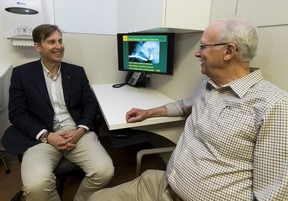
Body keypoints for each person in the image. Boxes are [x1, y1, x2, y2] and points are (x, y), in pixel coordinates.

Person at [87, 15, 288, 201]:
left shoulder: (273, 105)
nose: (197, 53)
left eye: (203, 47)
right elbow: (184, 106)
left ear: (228, 51)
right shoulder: (210, 85)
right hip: (165, 185)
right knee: (94, 199)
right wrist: (148, 112)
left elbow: (273, 194)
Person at [1, 24, 114, 201]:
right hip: (42, 137)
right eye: (51, 42)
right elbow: (17, 114)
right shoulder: (22, 74)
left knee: (105, 171)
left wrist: (81, 130)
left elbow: (90, 104)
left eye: (60, 41)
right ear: (38, 46)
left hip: (77, 133)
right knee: (36, 186)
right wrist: (47, 135)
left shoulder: (76, 72)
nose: (58, 46)